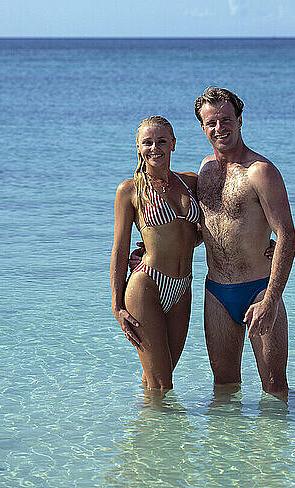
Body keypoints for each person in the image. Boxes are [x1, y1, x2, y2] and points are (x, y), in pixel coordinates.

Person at [195, 86, 295, 401]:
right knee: (224, 391)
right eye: (211, 122)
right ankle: (230, 451)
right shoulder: (205, 171)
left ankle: (279, 446)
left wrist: (270, 301)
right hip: (216, 293)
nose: (219, 128)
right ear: (202, 127)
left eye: (226, 119)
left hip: (258, 289)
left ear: (240, 121)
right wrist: (151, 249)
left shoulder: (260, 172)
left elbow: (287, 237)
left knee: (275, 390)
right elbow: (205, 229)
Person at [110, 116, 201, 391]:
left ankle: (146, 430)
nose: (155, 148)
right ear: (138, 147)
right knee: (163, 384)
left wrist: (263, 243)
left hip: (183, 286)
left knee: (158, 376)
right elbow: (119, 249)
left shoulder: (192, 183)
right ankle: (160, 432)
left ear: (173, 143)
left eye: (162, 141)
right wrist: (117, 307)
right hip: (146, 285)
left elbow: (207, 230)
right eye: (147, 142)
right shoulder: (130, 190)